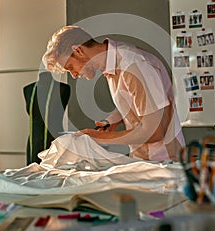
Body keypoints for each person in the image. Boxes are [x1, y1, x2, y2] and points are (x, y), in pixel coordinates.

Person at [42, 26, 185, 161]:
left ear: (78, 50)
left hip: (166, 161)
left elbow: (154, 131)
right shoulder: (112, 66)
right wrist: (114, 119)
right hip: (144, 160)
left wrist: (98, 138)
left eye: (71, 67)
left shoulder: (133, 65)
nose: (73, 75)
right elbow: (142, 103)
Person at [23, 71, 70, 164]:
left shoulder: (63, 88)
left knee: (53, 174)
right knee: (32, 173)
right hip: (34, 143)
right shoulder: (28, 89)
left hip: (55, 142)